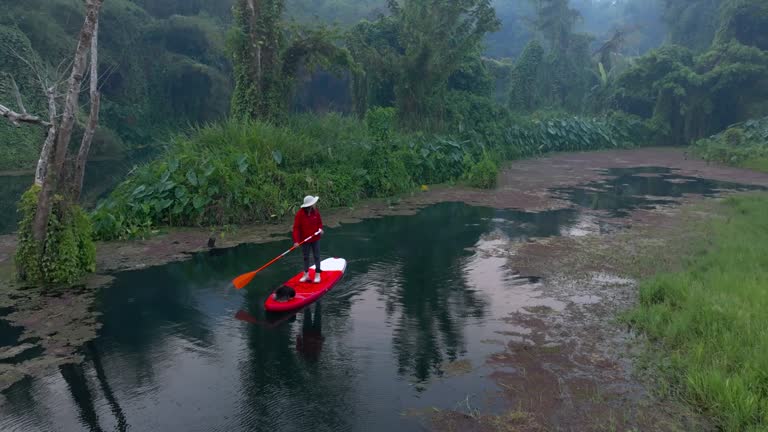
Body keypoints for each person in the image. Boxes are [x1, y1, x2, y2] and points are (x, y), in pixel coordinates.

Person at [293, 195, 324, 283]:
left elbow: (319, 224)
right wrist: (296, 241)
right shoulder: (300, 214)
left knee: (316, 256)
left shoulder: (316, 212)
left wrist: (320, 230)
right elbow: (296, 228)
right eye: (314, 203)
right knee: (306, 257)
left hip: (315, 239)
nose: (315, 205)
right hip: (305, 240)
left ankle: (317, 274)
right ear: (310, 205)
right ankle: (306, 274)